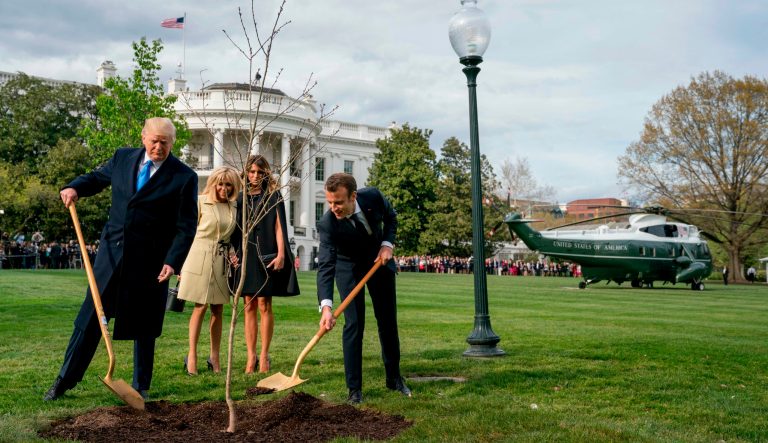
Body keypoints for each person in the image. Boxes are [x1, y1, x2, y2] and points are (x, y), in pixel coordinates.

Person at [43, 117, 198, 401]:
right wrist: (74, 187)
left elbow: (187, 226)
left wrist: (172, 260)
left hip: (151, 263)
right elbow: (96, 178)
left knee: (145, 325)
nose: (158, 147)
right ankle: (64, 380)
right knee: (90, 319)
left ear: (173, 143)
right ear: (143, 138)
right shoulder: (122, 158)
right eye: (154, 140)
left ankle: (141, 387)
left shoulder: (184, 177)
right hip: (111, 256)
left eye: (165, 142)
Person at [317, 172, 411, 405]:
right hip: (348, 268)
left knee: (387, 322)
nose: (333, 207)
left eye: (338, 202)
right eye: (329, 202)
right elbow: (326, 266)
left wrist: (387, 244)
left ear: (353, 196)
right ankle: (354, 389)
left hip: (379, 262)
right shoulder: (327, 224)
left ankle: (394, 378)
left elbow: (391, 217)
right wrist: (326, 307)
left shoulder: (373, 198)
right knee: (354, 324)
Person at [230, 155, 299, 374]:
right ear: (246, 173)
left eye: (260, 172)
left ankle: (264, 355)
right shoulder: (239, 198)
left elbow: (279, 227)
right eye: (251, 172)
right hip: (246, 254)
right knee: (248, 304)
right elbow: (233, 229)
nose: (255, 176)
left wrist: (281, 254)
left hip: (267, 253)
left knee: (264, 304)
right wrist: (233, 253)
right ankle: (251, 357)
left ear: (266, 174)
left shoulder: (273, 196)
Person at [177, 166, 241, 375]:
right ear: (213, 183)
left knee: (218, 309)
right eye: (220, 184)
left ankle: (214, 357)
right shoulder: (200, 201)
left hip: (221, 259)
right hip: (198, 255)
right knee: (200, 306)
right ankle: (192, 355)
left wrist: (232, 254)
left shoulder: (234, 207)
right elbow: (186, 232)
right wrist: (179, 262)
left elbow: (228, 237)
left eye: (228, 184)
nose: (224, 188)